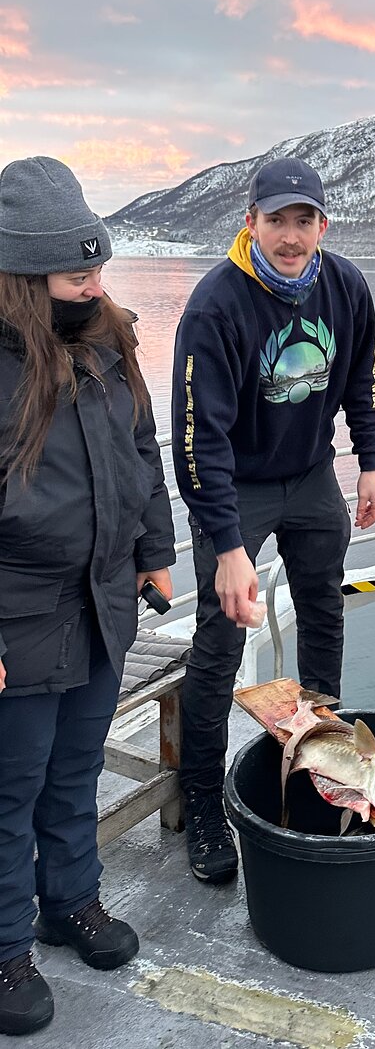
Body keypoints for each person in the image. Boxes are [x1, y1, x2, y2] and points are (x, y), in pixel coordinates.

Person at [171, 156, 375, 884]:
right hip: (238, 485)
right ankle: (202, 798)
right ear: (251, 222)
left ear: (323, 225)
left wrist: (371, 460)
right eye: (276, 221)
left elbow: (363, 375)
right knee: (221, 635)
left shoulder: (345, 285)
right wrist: (228, 544)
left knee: (324, 610)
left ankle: (327, 765)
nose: (290, 236)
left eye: (304, 220)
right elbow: (198, 438)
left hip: (312, 475)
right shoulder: (216, 305)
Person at [0, 157, 175, 1037]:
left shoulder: (111, 343)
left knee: (74, 769)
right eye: (77, 276)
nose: (95, 287)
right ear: (26, 278)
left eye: (99, 268)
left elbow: (143, 451)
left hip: (103, 601)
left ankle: (70, 902)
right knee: (10, 790)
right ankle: (4, 949)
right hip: (19, 613)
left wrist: (155, 551)